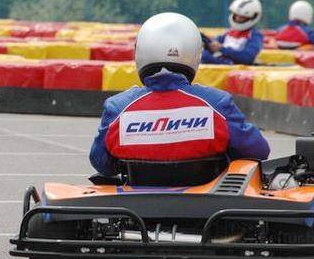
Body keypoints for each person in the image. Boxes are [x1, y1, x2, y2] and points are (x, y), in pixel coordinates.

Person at [89, 12, 270, 176]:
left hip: (139, 207)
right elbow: (258, 150)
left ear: (140, 51)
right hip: (206, 208)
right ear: (193, 52)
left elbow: (103, 164)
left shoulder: (118, 107)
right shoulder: (217, 104)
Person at [201, 0, 264, 65]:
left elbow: (247, 57)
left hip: (236, 69)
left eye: (242, 17)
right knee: (203, 54)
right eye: (236, 15)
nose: (237, 19)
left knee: (205, 57)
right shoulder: (229, 32)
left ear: (252, 17)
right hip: (221, 63)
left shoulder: (255, 36)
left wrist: (222, 49)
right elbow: (214, 43)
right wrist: (206, 41)